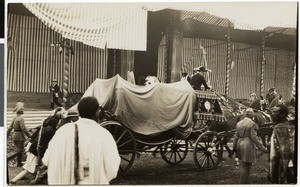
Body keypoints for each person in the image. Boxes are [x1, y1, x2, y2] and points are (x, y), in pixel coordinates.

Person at [42, 97, 121, 185]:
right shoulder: (103, 134)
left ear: (79, 113)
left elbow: (46, 160)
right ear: (97, 112)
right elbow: (112, 167)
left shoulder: (62, 131)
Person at [29, 107, 66, 185]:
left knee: (43, 163)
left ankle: (38, 178)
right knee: (44, 164)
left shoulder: (47, 127)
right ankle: (38, 178)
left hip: (41, 146)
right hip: (43, 147)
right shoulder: (51, 129)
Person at [233, 108, 268, 184]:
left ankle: (245, 181)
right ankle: (243, 182)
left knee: (244, 163)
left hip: (239, 143)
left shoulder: (239, 123)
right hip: (247, 144)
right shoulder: (253, 124)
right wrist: (262, 148)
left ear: (245, 114)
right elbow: (254, 138)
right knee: (246, 165)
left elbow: (236, 137)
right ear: (252, 116)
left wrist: (234, 148)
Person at [268, 104, 295, 184]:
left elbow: (274, 154)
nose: (272, 114)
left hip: (282, 165)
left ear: (282, 114)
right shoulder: (294, 125)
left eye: (275, 112)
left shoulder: (278, 128)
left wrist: (272, 173)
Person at [7, 102, 31, 167]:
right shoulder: (21, 118)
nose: (23, 111)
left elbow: (10, 127)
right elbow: (24, 129)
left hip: (14, 135)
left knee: (18, 149)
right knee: (20, 150)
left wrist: (6, 135)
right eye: (23, 110)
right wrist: (30, 136)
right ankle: (18, 163)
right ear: (21, 111)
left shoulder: (14, 118)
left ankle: (18, 162)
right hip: (19, 136)